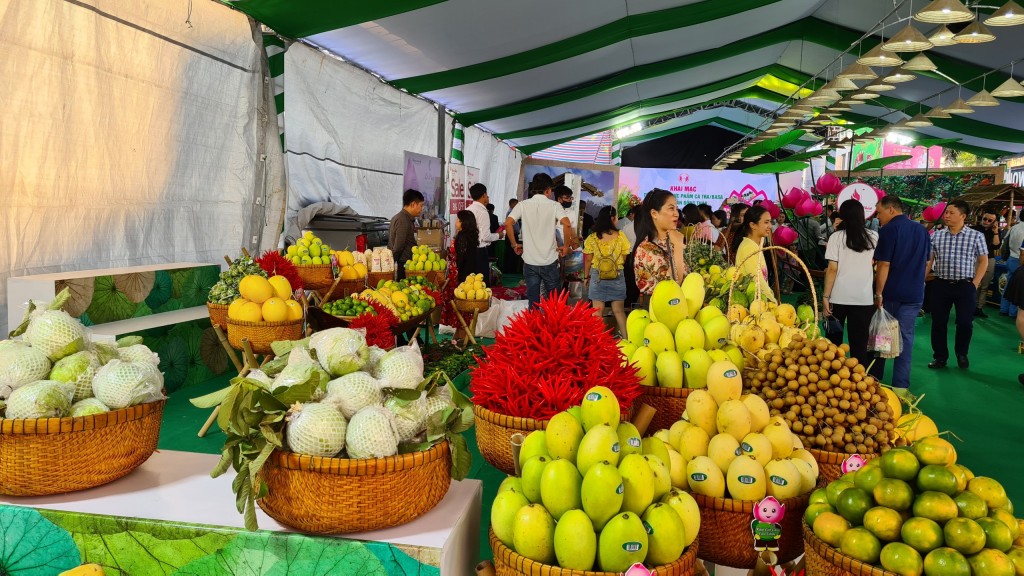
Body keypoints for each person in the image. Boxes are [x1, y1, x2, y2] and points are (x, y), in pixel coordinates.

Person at [870, 196, 929, 391]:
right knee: (906, 338)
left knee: (883, 338)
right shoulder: (922, 230)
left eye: (879, 212)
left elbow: (883, 264)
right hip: (914, 293)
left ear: (891, 210)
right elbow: (927, 262)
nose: (878, 217)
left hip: (892, 293)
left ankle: (875, 381)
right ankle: (901, 388)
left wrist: (878, 293)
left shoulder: (888, 230)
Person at [926, 200, 988, 370]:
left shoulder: (976, 236)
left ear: (963, 216)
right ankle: (940, 357)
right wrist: (922, 279)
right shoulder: (936, 235)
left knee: (965, 323)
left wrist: (975, 283)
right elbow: (929, 260)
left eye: (951, 213)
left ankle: (962, 353)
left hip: (965, 285)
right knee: (938, 322)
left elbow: (983, 261)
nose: (946, 215)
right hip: (940, 284)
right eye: (946, 213)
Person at [822, 200, 878, 366]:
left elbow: (832, 269)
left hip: (838, 297)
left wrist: (826, 296)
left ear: (842, 216)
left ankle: (832, 380)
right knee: (859, 345)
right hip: (864, 298)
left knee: (833, 345)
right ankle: (859, 383)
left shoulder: (836, 237)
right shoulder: (874, 236)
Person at [505, 175, 572, 308]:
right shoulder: (554, 205)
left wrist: (514, 244)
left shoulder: (522, 205)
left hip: (530, 261)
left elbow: (508, 223)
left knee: (533, 300)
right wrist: (565, 246)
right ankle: (554, 327)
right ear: (548, 190)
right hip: (550, 260)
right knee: (555, 302)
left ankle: (533, 327)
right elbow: (567, 224)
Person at [583, 206, 631, 337]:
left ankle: (597, 343)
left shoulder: (592, 237)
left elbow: (588, 260)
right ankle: (627, 341)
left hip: (597, 277)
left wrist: (586, 277)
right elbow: (624, 257)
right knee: (619, 311)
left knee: (597, 312)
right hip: (617, 277)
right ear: (614, 218)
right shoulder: (621, 236)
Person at [632, 189, 687, 300]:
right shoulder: (646, 248)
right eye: (671, 208)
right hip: (659, 308)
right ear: (654, 214)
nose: (676, 214)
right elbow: (673, 283)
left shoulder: (669, 241)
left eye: (676, 208)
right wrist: (678, 246)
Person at [731, 205, 776, 301]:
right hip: (754, 304)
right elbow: (758, 280)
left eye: (770, 222)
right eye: (766, 222)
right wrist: (773, 301)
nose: (770, 226)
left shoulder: (754, 245)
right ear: (753, 225)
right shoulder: (749, 248)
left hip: (759, 301)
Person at [467, 183, 503, 279]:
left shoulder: (468, 209)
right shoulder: (483, 212)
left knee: (470, 282)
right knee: (481, 283)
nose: (488, 197)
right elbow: (485, 236)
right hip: (479, 251)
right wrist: (498, 236)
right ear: (483, 195)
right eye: (486, 195)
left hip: (468, 250)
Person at [388, 189, 424, 280]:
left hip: (406, 263)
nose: (421, 209)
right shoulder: (402, 220)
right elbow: (398, 246)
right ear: (413, 204)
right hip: (404, 265)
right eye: (421, 205)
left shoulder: (404, 218)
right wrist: (391, 264)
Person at [971, 210, 1000, 318]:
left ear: (994, 222)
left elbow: (997, 245)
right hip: (976, 259)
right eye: (985, 219)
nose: (986, 221)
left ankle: (979, 307)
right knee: (975, 284)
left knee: (985, 286)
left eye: (990, 220)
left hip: (989, 259)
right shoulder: (974, 229)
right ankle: (971, 306)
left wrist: (996, 231)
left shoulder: (994, 232)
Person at [1001, 212, 1024, 317]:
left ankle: (1004, 309)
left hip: (1011, 258)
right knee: (1019, 288)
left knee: (1009, 285)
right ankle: (1013, 312)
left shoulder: (1014, 227)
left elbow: (1005, 242)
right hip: (1021, 260)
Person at [453, 210, 479, 284]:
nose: (456, 222)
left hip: (464, 272)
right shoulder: (470, 234)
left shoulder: (462, 236)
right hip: (472, 269)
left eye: (457, 219)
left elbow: (461, 256)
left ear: (463, 222)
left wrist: (456, 270)